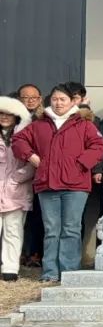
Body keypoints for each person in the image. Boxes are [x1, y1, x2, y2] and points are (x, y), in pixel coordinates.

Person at [12, 84, 103, 282]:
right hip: (47, 184)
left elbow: (98, 146)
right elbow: (19, 141)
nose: (58, 103)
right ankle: (50, 272)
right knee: (51, 229)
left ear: (72, 102)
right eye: (55, 99)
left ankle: (69, 271)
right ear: (50, 101)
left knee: (71, 228)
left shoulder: (84, 124)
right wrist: (31, 156)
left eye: (63, 99)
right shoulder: (39, 124)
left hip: (76, 185)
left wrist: (80, 164)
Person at [68, 82, 103, 267]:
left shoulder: (93, 120)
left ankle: (82, 258)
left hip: (85, 175)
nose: (72, 102)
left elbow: (98, 147)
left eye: (75, 98)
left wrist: (97, 169)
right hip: (62, 176)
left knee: (84, 219)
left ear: (83, 99)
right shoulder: (55, 119)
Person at [0, 96, 33, 282]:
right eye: (1, 113)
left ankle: (10, 268)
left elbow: (32, 162)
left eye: (9, 114)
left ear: (17, 116)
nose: (4, 117)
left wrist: (15, 179)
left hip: (17, 191)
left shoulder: (26, 135)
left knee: (13, 230)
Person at [16, 84, 44, 267]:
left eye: (34, 97)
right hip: (16, 172)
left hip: (40, 172)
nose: (30, 101)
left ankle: (35, 253)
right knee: (17, 217)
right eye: (26, 97)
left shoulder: (46, 117)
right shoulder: (13, 118)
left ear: (40, 99)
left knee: (38, 216)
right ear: (19, 99)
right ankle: (19, 253)